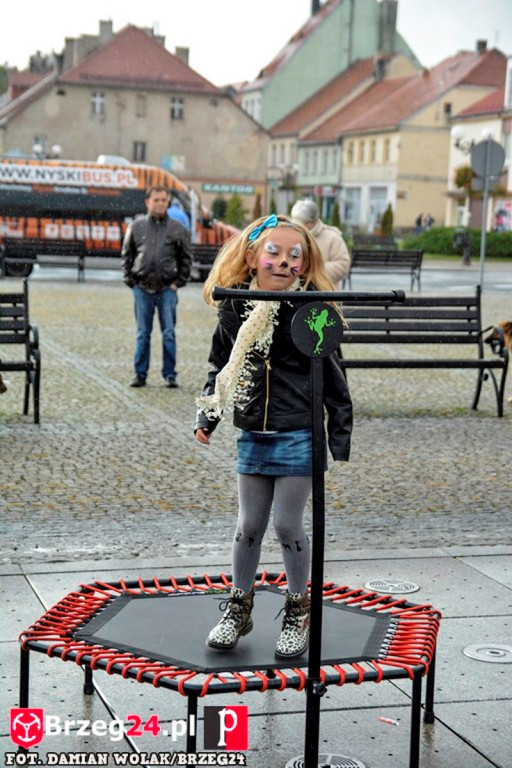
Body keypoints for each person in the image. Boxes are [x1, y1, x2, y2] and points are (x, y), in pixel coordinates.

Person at [194, 213, 352, 658]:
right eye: (274, 252)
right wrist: (209, 418)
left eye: (295, 255)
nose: (284, 262)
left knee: (286, 525)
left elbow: (336, 378)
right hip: (254, 433)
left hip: (299, 432)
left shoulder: (312, 312)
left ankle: (298, 609)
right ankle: (239, 608)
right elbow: (222, 367)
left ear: (304, 264)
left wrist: (339, 434)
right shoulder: (234, 308)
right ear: (251, 257)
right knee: (248, 527)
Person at [121, 185, 192, 388]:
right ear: (148, 202)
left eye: (164, 200)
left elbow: (186, 258)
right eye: (156, 200)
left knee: (168, 333)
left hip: (167, 289)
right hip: (142, 288)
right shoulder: (137, 226)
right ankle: (140, 374)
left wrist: (178, 282)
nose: (161, 203)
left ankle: (170, 374)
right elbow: (127, 254)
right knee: (143, 333)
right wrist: (130, 281)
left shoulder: (177, 228)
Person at [290, 199, 350, 289]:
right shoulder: (290, 236)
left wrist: (314, 270)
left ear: (312, 222)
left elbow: (343, 264)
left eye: (300, 222)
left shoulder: (333, 237)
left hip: (324, 293)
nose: (296, 226)